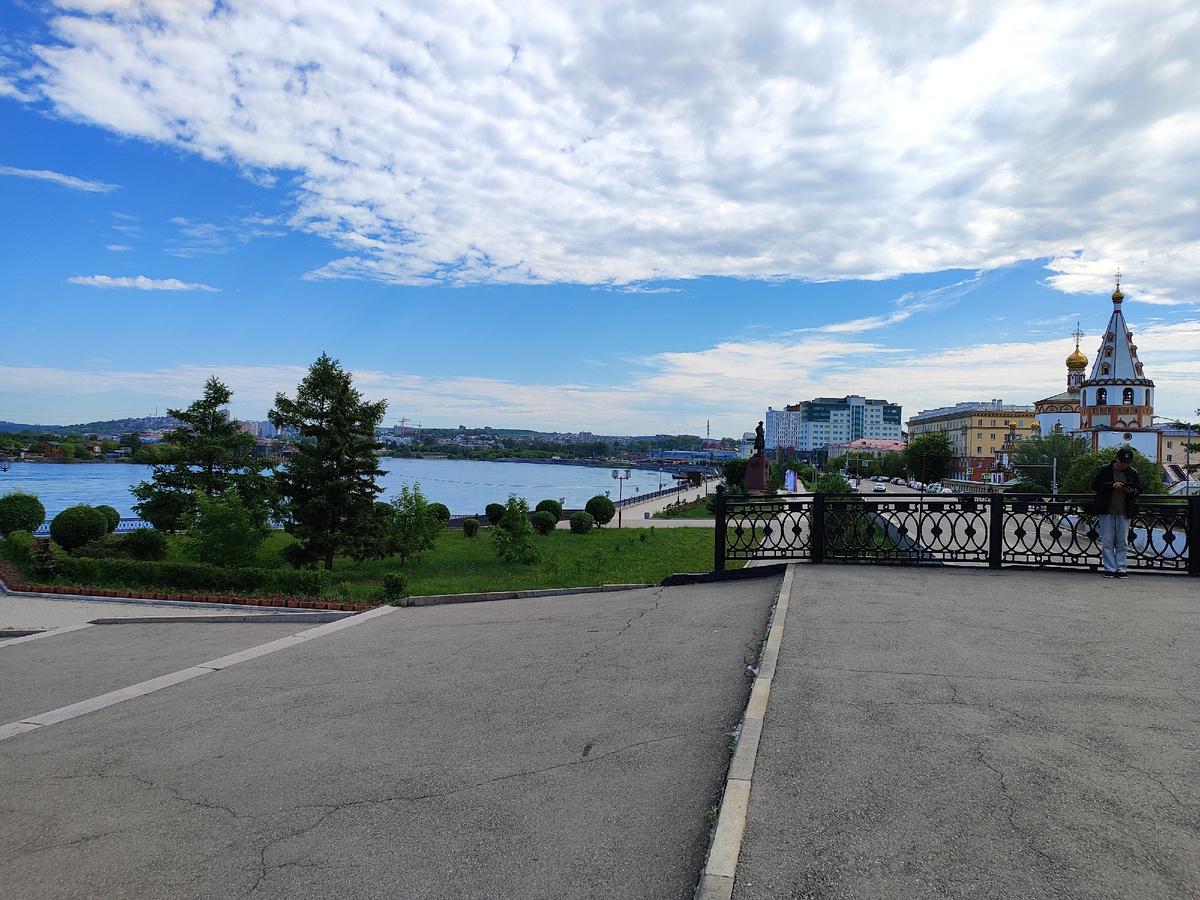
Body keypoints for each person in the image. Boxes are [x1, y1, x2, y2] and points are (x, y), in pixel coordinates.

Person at [1091, 447, 1141, 578]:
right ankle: (1110, 568)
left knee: (1122, 541)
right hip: (1106, 509)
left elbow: (1139, 489)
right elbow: (1095, 485)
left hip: (1124, 510)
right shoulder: (1105, 470)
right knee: (1107, 540)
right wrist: (1111, 485)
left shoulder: (1132, 472)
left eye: (1128, 463)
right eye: (1123, 462)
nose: (1125, 465)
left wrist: (1132, 491)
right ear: (1116, 459)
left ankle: (1121, 568)